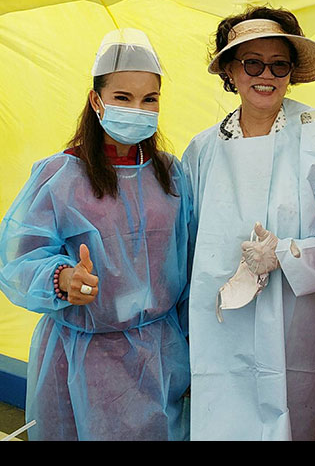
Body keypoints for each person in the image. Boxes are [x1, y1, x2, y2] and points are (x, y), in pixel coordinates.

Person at [0, 28, 192, 441]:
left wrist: (192, 344)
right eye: (123, 97)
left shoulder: (171, 175)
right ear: (96, 100)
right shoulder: (60, 176)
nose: (137, 109)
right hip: (82, 359)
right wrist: (63, 278)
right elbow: (20, 258)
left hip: (159, 353)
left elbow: (189, 261)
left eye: (150, 99)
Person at [182, 6, 315, 441]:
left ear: (292, 73)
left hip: (297, 327)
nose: (266, 75)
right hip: (219, 331)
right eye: (252, 63)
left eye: (279, 65)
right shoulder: (201, 152)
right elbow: (185, 244)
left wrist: (286, 254)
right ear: (229, 70)